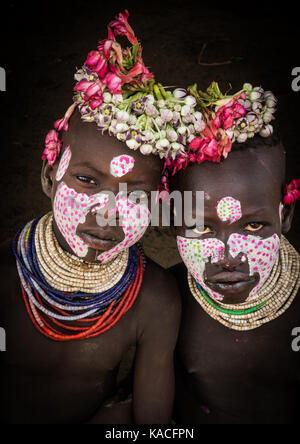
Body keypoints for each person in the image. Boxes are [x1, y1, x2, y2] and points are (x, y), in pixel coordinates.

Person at [0, 10, 182, 424]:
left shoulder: (154, 298)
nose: (108, 213)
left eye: (136, 195)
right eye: (86, 180)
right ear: (50, 175)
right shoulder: (5, 276)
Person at [167, 82, 300, 424]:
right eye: (201, 228)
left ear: (285, 216)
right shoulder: (166, 298)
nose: (228, 256)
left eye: (254, 227)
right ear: (171, 222)